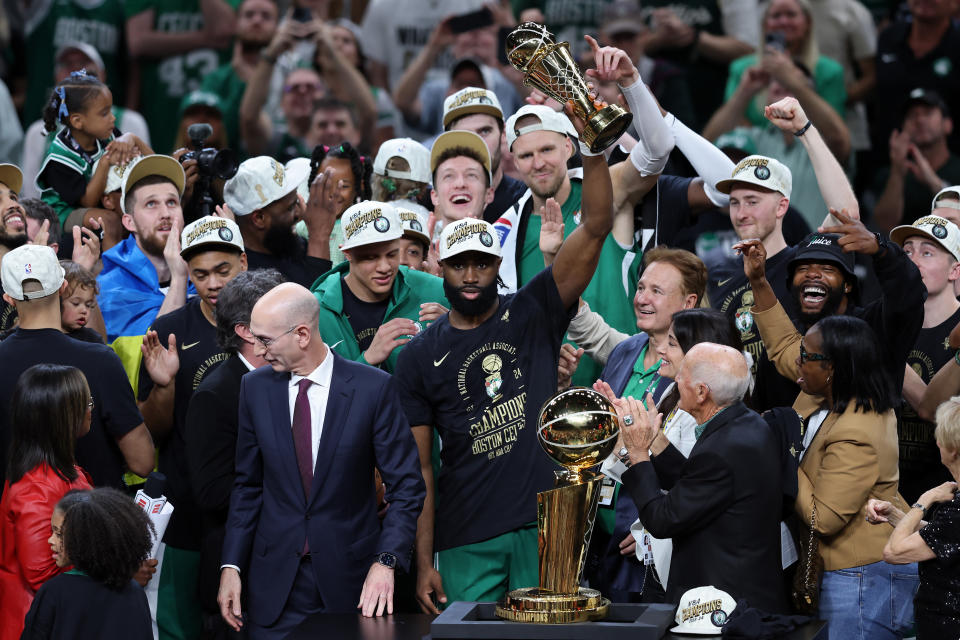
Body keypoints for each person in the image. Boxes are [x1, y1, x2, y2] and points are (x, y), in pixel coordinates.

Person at [393, 87, 617, 610]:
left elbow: (599, 223)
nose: (471, 276)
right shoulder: (419, 356)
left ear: (499, 266)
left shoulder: (534, 309)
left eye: (482, 264)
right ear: (438, 266)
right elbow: (421, 469)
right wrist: (424, 561)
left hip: (547, 525)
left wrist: (594, 146)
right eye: (458, 265)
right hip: (465, 535)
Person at [217, 283, 425, 637]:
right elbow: (247, 486)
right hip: (275, 590)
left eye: (265, 340)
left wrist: (386, 560)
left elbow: (406, 487)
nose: (258, 349)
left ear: (301, 334)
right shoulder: (254, 388)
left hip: (353, 585)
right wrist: (231, 565)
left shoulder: (372, 388)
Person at [496, 37, 673, 386]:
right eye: (526, 155)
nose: (538, 163)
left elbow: (658, 149)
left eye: (547, 149)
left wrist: (630, 81)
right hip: (551, 391)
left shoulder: (605, 189)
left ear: (567, 145)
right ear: (513, 161)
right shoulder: (503, 231)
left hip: (625, 379)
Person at [759, 309, 919, 637]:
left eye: (806, 356)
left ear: (831, 367)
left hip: (859, 579)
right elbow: (783, 351)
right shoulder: (848, 401)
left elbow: (824, 518)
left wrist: (787, 452)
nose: (798, 363)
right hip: (855, 574)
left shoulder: (856, 428)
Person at [135, 215, 248, 639]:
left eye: (223, 271)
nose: (213, 284)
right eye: (200, 275)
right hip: (184, 509)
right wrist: (163, 386)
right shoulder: (168, 330)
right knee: (178, 627)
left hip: (250, 504)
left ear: (243, 262)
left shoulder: (271, 326)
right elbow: (153, 431)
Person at [615, 343, 786, 612]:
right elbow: (697, 485)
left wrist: (637, 453)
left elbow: (662, 520)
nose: (676, 379)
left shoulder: (724, 447)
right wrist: (654, 441)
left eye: (683, 374)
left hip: (722, 609)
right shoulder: (747, 424)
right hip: (743, 594)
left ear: (702, 392)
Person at [590, 308, 743, 603]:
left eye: (672, 343)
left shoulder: (712, 419)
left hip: (696, 566)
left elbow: (685, 486)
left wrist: (647, 532)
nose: (660, 348)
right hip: (663, 548)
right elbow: (654, 466)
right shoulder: (670, 393)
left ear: (699, 356)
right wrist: (622, 432)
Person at [0, 245, 154, 490]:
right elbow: (143, 461)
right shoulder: (102, 360)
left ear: (8, 297)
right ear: (62, 288)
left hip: (15, 520)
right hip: (95, 520)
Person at [186, 268, 283, 637]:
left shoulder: (294, 380)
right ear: (246, 330)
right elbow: (211, 491)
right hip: (242, 578)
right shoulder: (216, 394)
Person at [0, 364, 94, 640]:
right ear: (62, 417)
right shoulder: (36, 487)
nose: (92, 409)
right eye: (87, 402)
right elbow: (42, 576)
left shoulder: (59, 468)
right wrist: (110, 571)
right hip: (37, 626)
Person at [703, 57, 851, 230]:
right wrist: (745, 91)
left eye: (792, 80)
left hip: (822, 251)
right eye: (777, 80)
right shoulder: (754, 138)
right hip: (770, 253)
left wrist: (795, 86)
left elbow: (840, 140)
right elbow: (707, 147)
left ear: (812, 94)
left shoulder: (822, 141)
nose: (784, 82)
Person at [310, 200, 447, 372]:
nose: (384, 268)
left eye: (392, 254)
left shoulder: (436, 291)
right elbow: (314, 393)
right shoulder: (317, 312)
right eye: (370, 257)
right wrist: (368, 359)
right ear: (347, 253)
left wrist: (455, 331)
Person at [868, 396, 960, 640]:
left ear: (953, 449)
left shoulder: (956, 510)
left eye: (940, 434)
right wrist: (895, 515)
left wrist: (925, 499)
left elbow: (894, 551)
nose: (936, 440)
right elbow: (940, 536)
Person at [36, 71, 152, 248]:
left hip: (95, 203)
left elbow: (152, 164)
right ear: (77, 121)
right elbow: (87, 201)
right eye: (104, 113)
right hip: (62, 213)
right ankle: (113, 271)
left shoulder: (108, 134)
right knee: (110, 219)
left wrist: (132, 138)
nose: (113, 118)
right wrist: (105, 162)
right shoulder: (58, 159)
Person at [21, 487, 155, 640]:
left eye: (59, 534)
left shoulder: (54, 592)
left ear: (87, 539)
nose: (51, 540)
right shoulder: (135, 592)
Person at [891, 216, 960, 503]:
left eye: (927, 252)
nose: (913, 260)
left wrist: (886, 348)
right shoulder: (885, 321)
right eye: (907, 251)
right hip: (889, 494)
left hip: (948, 496)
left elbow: (932, 410)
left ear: (955, 270)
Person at [96, 154, 192, 342]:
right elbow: (154, 354)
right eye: (151, 204)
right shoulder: (110, 288)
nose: (165, 214)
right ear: (129, 222)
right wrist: (179, 277)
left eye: (172, 202)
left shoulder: (202, 275)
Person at [125, 0, 237, 154]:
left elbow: (223, 28)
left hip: (215, 105)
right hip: (159, 107)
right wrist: (205, 39)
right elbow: (137, 43)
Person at [723, 0, 846, 130]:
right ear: (765, 24)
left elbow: (835, 134)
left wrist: (792, 81)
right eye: (776, 16)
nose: (783, 22)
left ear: (808, 22)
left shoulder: (830, 71)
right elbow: (722, 133)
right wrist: (745, 92)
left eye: (791, 15)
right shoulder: (743, 69)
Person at [222, 155, 333, 288]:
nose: (299, 213)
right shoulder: (245, 276)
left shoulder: (289, 243)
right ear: (259, 218)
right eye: (290, 207)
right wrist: (319, 236)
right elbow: (316, 303)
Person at [874, 89, 960, 233]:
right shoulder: (887, 175)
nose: (919, 120)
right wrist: (897, 172)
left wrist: (934, 183)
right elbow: (884, 226)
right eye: (912, 116)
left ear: (948, 124)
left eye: (928, 113)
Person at [442, 87, 526, 224]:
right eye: (465, 135)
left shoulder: (528, 202)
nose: (477, 143)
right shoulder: (431, 205)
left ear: (503, 133)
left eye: (485, 131)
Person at [294, 141, 373, 266]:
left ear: (358, 187)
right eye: (326, 184)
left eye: (344, 186)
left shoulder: (363, 225)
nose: (334, 193)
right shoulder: (305, 226)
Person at [59, 260, 107, 342]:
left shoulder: (93, 339)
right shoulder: (42, 337)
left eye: (88, 305)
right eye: (76, 303)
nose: (84, 311)